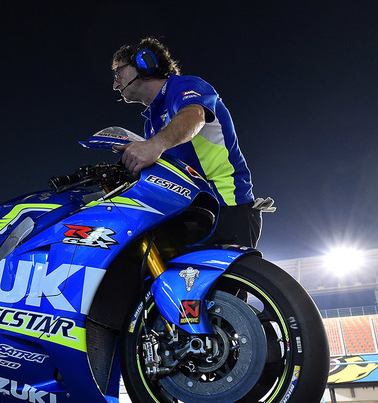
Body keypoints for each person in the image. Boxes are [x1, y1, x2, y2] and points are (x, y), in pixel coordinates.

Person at [111, 36, 272, 248]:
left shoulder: (184, 86)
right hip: (191, 212)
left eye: (118, 72)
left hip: (226, 206)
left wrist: (154, 146)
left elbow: (194, 114)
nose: (115, 84)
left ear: (144, 63)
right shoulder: (151, 124)